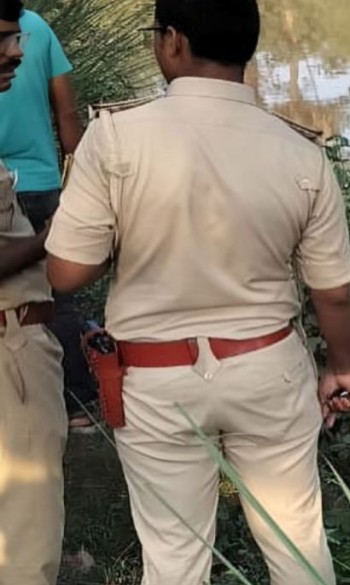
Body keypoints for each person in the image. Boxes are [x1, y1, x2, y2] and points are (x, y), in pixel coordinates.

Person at [44, 0, 350, 583]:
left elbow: (65, 274)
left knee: (174, 556)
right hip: (268, 367)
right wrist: (342, 367)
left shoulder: (115, 138)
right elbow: (334, 292)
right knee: (297, 543)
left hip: (154, 378)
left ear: (172, 42)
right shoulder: (299, 150)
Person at [0, 6, 97, 432]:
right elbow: (66, 112)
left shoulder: (23, 29)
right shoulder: (36, 26)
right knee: (57, 293)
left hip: (8, 181)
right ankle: (77, 404)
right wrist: (84, 178)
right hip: (40, 182)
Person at [0, 0, 69, 583]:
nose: (17, 53)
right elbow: (70, 122)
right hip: (9, 351)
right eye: (2, 40)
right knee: (28, 531)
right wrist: (52, 236)